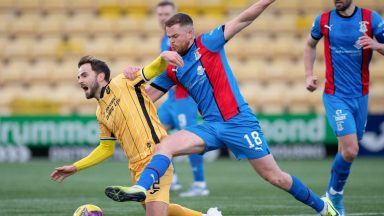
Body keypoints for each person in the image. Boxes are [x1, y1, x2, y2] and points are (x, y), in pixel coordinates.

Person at [106, 0, 340, 215]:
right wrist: (133, 79)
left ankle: (322, 206)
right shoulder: (171, 68)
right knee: (164, 146)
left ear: (190, 34)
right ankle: (140, 188)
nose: (171, 42)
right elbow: (145, 98)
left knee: (274, 177)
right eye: (169, 37)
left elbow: (244, 18)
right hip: (210, 127)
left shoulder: (209, 42)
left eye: (175, 36)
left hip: (239, 122)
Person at [50, 55, 222, 216]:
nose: (80, 80)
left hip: (154, 158)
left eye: (84, 75)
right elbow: (106, 148)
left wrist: (163, 57)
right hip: (136, 168)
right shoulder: (100, 112)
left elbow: (152, 70)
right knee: (164, 210)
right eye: (79, 77)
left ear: (100, 76)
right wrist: (75, 167)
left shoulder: (122, 81)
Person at [304, 0, 384, 215]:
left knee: (345, 150)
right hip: (335, 95)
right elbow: (310, 45)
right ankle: (335, 195)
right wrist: (309, 74)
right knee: (351, 150)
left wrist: (377, 46)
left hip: (361, 96)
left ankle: (331, 195)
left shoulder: (371, 19)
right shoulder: (324, 20)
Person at [155, 0, 209, 197]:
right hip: (170, 99)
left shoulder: (183, 40)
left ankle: (200, 184)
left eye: (166, 14)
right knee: (155, 133)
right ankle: (172, 178)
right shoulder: (164, 39)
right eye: (160, 14)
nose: (163, 17)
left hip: (183, 98)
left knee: (190, 141)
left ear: (174, 14)